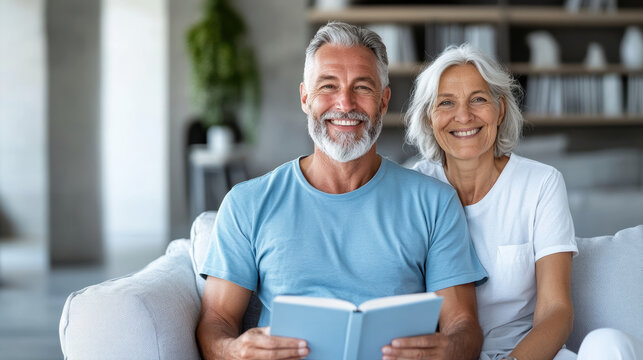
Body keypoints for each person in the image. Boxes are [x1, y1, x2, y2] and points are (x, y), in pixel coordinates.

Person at [196, 22, 488, 360]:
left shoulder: (435, 202)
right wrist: (233, 351)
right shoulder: (247, 203)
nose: (345, 103)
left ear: (383, 101)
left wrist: (450, 349)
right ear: (305, 98)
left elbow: (463, 325)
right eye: (328, 86)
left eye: (362, 87)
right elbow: (215, 322)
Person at [405, 44, 643, 360]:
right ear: (428, 117)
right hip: (448, 356)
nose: (464, 115)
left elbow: (556, 310)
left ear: (500, 109)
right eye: (446, 102)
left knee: (609, 343)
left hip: (528, 354)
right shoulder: (412, 187)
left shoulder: (540, 183)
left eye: (478, 99)